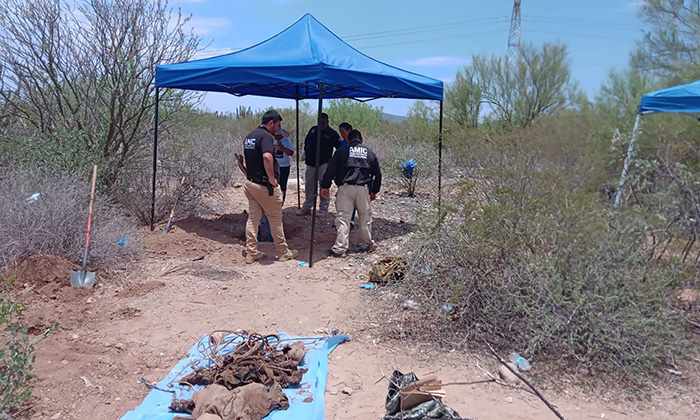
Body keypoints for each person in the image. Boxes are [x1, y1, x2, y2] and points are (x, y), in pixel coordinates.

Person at [242, 109, 298, 264]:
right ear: (271, 123)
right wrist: (272, 179)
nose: (278, 129)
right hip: (265, 186)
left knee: (253, 219)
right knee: (275, 219)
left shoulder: (249, 137)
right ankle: (282, 252)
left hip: (251, 183)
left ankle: (251, 252)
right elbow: (267, 156)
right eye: (277, 125)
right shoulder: (266, 136)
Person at [320, 129, 382, 257]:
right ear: (362, 140)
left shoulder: (342, 151)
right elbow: (378, 174)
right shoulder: (369, 153)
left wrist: (325, 186)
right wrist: (374, 191)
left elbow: (331, 169)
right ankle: (365, 244)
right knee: (365, 217)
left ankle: (340, 248)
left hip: (345, 188)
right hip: (363, 189)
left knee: (343, 218)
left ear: (348, 140)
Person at [300, 113, 340, 216]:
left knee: (324, 186)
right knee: (309, 186)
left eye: (323, 122)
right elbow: (306, 142)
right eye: (319, 122)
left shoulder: (332, 133)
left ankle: (323, 209)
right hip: (310, 163)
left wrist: (333, 161)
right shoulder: (313, 130)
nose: (320, 124)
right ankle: (307, 207)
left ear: (327, 122)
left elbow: (340, 148)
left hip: (323, 164)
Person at [273, 127, 295, 202]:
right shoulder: (271, 140)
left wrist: (282, 147)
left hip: (284, 166)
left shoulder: (287, 140)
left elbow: (291, 153)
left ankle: (281, 201)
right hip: (274, 166)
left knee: (283, 184)